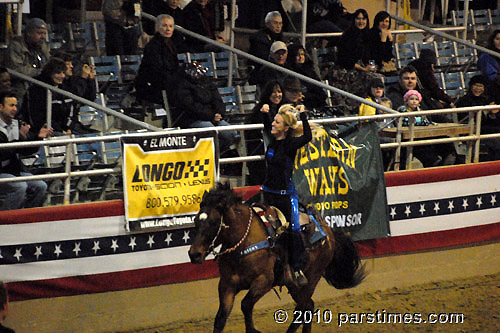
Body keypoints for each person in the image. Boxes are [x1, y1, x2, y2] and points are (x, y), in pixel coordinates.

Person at [262, 104, 312, 286]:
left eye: (277, 122)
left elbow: (308, 136)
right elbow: (267, 127)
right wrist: (266, 115)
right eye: (273, 121)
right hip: (268, 193)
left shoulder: (290, 145)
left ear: (285, 128)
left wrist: (303, 115)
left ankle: (297, 267)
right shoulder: (273, 141)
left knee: (294, 229)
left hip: (285, 196)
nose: (273, 124)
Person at [0, 90, 53, 211]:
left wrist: (38, 137)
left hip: (13, 170)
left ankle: (29, 216)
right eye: (11, 105)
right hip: (2, 172)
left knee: (40, 186)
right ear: (0, 107)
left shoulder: (16, 124)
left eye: (16, 105)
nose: (15, 109)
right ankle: (7, 219)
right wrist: (20, 141)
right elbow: (3, 153)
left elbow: (25, 150)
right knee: (19, 186)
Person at [174, 62, 239, 152]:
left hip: (213, 117)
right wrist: (211, 115)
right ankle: (208, 156)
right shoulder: (182, 86)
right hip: (193, 119)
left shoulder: (207, 82)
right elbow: (190, 107)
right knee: (210, 132)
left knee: (231, 133)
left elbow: (217, 99)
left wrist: (219, 113)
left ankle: (218, 154)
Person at [135, 14, 186, 104]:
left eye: (170, 26)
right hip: (154, 84)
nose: (168, 29)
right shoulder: (153, 45)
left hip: (167, 81)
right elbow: (157, 69)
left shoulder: (170, 43)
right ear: (157, 27)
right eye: (164, 25)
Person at [19, 58, 72, 136]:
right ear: (49, 73)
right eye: (58, 73)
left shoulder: (65, 89)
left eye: (63, 72)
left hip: (64, 129)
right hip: (42, 131)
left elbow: (72, 112)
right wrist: (59, 130)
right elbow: (36, 118)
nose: (62, 76)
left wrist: (68, 128)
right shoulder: (35, 91)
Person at [246, 80, 284, 185]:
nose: (277, 95)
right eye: (274, 92)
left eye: (279, 91)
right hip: (265, 155)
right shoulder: (260, 109)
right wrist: (263, 114)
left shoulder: (284, 108)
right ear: (268, 93)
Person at [456, 75, 500, 160]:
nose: (477, 88)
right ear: (471, 86)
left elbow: (493, 120)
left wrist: (493, 114)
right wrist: (485, 112)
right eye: (475, 85)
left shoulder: (487, 99)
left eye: (481, 86)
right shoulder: (464, 101)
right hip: (472, 131)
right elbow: (465, 120)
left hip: (486, 130)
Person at [5, 18, 50, 99]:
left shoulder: (42, 46)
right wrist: (41, 72)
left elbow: (49, 63)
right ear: (29, 33)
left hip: (40, 89)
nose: (43, 37)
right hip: (20, 91)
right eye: (39, 33)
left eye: (44, 34)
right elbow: (15, 70)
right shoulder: (16, 46)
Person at [54, 51, 98, 134]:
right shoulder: (58, 85)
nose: (71, 66)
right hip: (64, 126)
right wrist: (83, 78)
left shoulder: (72, 80)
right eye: (68, 64)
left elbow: (89, 98)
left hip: (74, 124)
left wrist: (91, 80)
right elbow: (75, 96)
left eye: (71, 64)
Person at [285, 43, 327, 109]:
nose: (301, 57)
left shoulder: (310, 71)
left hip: (315, 101)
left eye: (302, 54)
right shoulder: (288, 72)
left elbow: (320, 91)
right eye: (297, 55)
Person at [477, 29, 500, 104]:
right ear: (492, 40)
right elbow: (491, 77)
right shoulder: (486, 56)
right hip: (493, 91)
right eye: (497, 39)